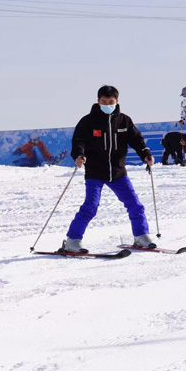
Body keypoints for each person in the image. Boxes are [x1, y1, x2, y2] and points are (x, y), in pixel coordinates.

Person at [62, 85, 156, 253]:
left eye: (110, 101)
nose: (107, 104)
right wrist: (79, 154)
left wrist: (145, 154)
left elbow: (137, 140)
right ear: (98, 101)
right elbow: (79, 141)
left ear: (117, 101)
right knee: (90, 207)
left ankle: (141, 235)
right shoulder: (88, 121)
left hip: (118, 172)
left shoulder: (124, 121)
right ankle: (72, 240)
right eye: (104, 101)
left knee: (135, 205)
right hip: (95, 172)